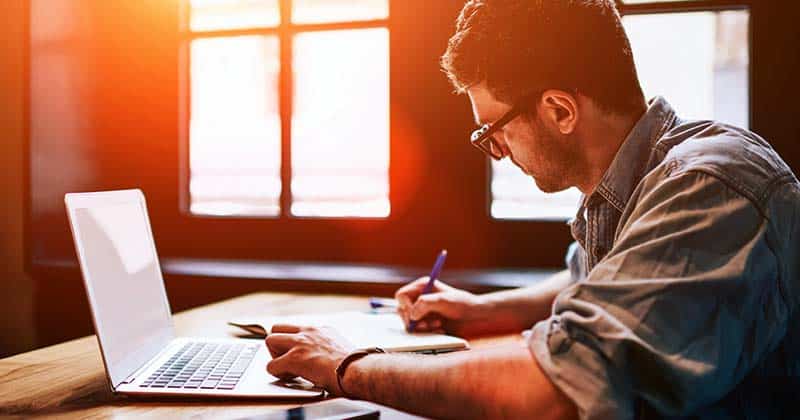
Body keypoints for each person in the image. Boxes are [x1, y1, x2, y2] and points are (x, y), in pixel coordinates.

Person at [264, 1, 800, 418]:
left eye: (492, 131)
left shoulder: (710, 186)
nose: (495, 151)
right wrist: (487, 311)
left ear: (560, 110)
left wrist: (347, 365)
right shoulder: (637, 185)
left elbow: (555, 391)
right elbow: (599, 280)